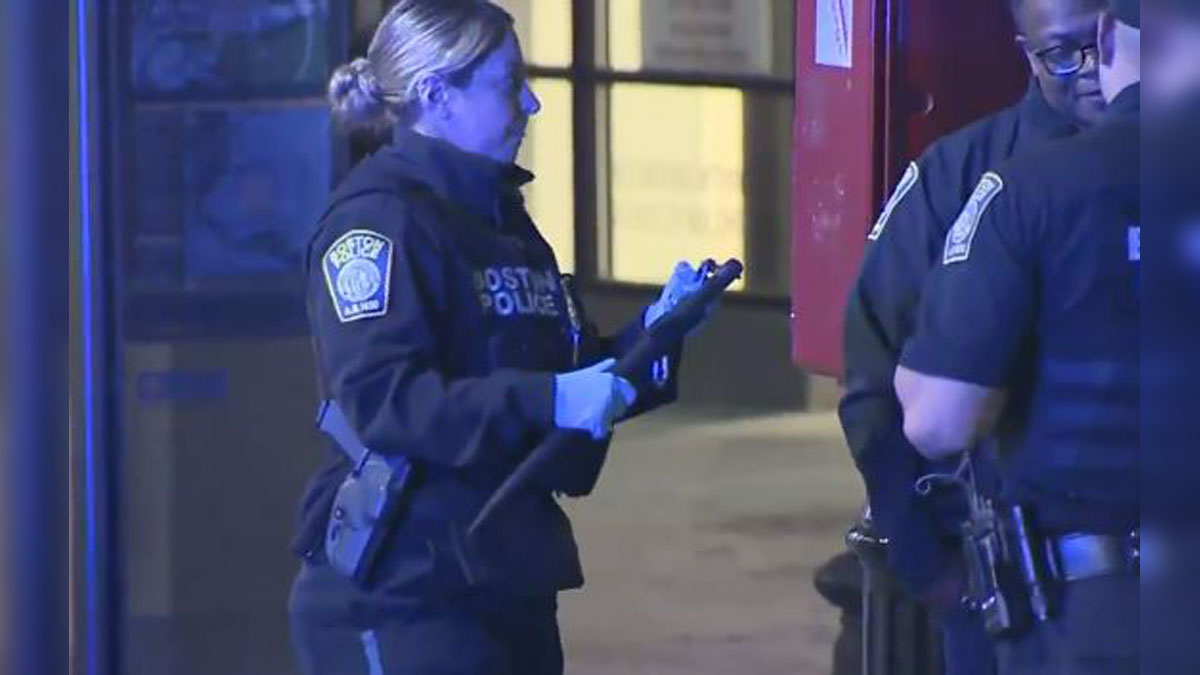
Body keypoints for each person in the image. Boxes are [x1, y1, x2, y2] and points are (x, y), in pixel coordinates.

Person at [286, 2, 711, 673]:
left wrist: (650, 337)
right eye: (509, 83)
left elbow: (556, 380)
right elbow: (387, 403)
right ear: (436, 96)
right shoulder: (377, 224)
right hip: (406, 589)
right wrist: (553, 400)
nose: (532, 103)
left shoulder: (500, 221)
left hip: (503, 572)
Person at [838, 0, 1106, 671]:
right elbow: (872, 380)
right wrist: (928, 566)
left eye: (1106, 46)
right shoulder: (958, 177)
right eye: (1064, 54)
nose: (1093, 73)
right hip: (1006, 572)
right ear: (1025, 51)